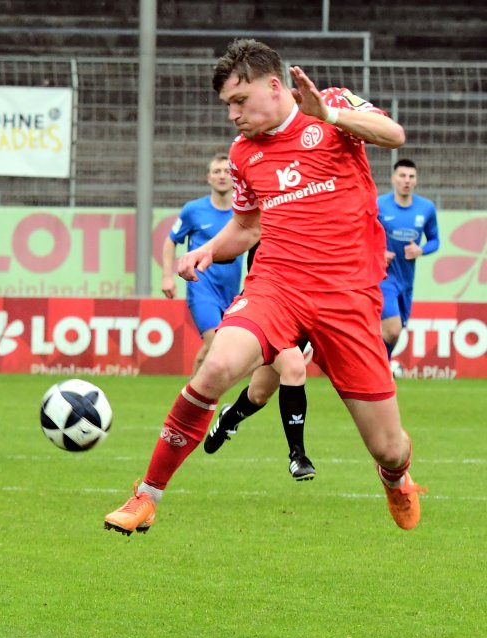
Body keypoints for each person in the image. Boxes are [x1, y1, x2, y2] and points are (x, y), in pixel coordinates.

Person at [103, 39, 424, 537]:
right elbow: (247, 225)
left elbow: (394, 135)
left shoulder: (331, 105)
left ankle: (396, 476)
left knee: (389, 446)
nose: (233, 115)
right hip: (277, 286)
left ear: (274, 87)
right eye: (227, 105)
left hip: (348, 296)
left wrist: (329, 116)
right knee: (217, 367)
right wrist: (209, 249)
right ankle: (147, 495)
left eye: (239, 101)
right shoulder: (243, 153)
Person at [203, 244, 317, 481]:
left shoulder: (319, 229)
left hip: (303, 310)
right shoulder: (267, 224)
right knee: (294, 366)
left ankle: (229, 418)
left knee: (258, 394)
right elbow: (238, 239)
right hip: (266, 306)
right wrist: (211, 252)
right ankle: (298, 456)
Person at [162, 154, 244, 376]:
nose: (222, 176)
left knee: (210, 350)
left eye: (227, 171)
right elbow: (171, 241)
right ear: (208, 178)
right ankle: (204, 394)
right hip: (201, 289)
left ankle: (190, 392)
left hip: (231, 292)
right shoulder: (193, 210)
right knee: (220, 347)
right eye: (217, 171)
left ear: (235, 177)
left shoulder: (243, 212)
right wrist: (167, 277)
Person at [377, 159, 440, 361]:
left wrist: (420, 250)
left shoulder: (426, 208)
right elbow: (361, 235)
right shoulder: (379, 205)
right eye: (402, 176)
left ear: (416, 181)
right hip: (384, 278)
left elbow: (435, 240)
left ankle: (382, 367)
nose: (406, 180)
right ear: (393, 179)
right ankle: (379, 369)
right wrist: (378, 253)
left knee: (395, 332)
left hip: (407, 280)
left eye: (411, 176)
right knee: (393, 329)